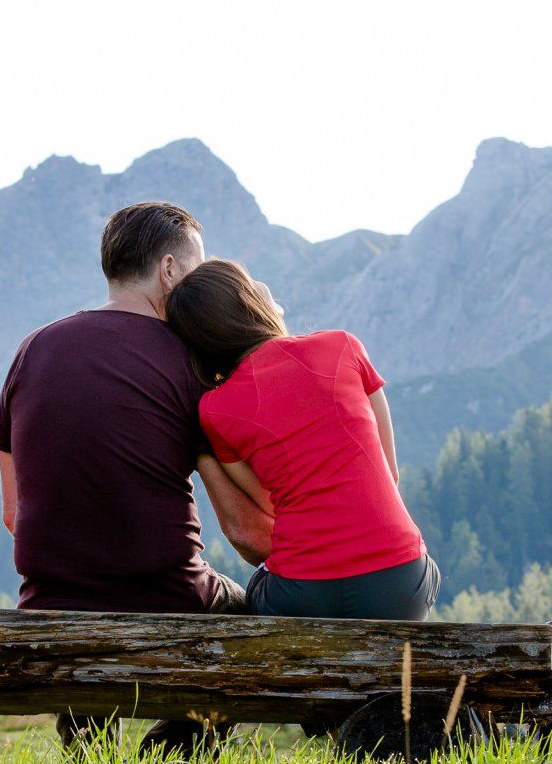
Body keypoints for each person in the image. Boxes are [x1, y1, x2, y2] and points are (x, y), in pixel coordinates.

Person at [0, 203, 272, 753]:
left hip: (50, 603)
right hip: (168, 593)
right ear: (169, 270)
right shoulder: (190, 360)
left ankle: (91, 757)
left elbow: (12, 514)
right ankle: (176, 749)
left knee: (82, 603)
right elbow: (240, 513)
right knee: (249, 614)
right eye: (196, 268)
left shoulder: (33, 348)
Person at [164, 259, 439, 621]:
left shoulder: (215, 410)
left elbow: (269, 509)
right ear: (248, 300)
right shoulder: (342, 346)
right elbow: (390, 473)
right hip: (399, 584)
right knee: (428, 572)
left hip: (302, 593)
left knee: (254, 589)